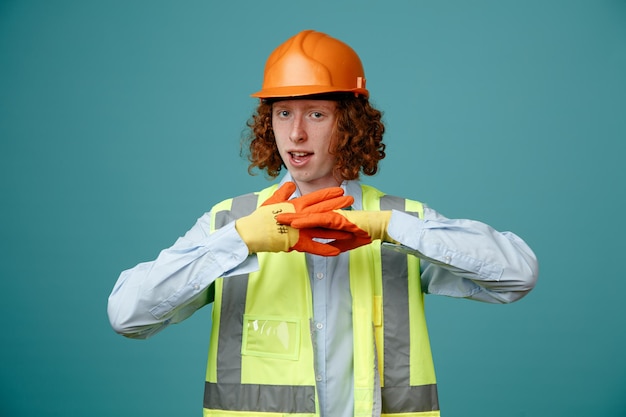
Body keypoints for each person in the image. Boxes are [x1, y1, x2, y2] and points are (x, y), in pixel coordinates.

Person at [108, 30, 538, 417]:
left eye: (315, 114)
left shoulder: (401, 221)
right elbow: (128, 315)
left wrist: (387, 228)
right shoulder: (231, 221)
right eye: (282, 113)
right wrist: (238, 241)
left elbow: (517, 276)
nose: (295, 134)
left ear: (349, 124)